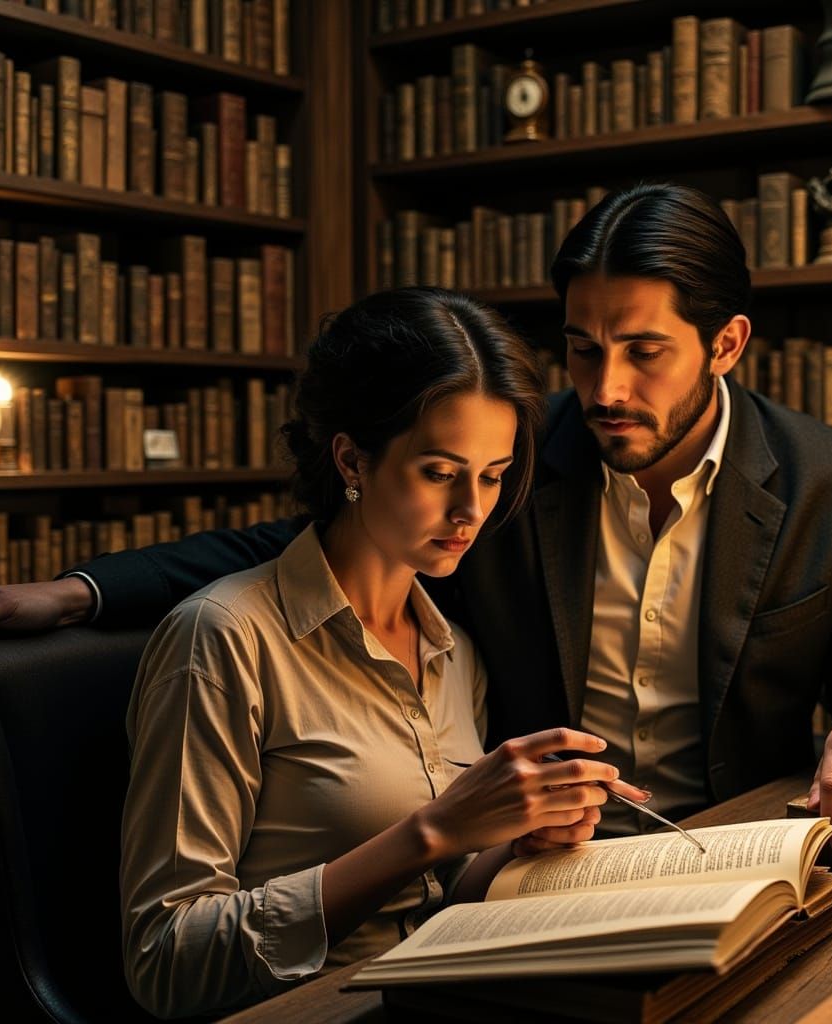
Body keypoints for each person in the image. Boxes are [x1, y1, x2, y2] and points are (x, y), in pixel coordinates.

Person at [0, 184, 832, 855]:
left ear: (726, 343)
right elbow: (304, 546)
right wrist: (77, 590)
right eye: (580, 348)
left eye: (643, 352)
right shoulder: (512, 459)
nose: (602, 388)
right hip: (534, 862)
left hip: (738, 844)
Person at [118, 287, 638, 1019]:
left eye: (492, 475)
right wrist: (430, 832)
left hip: (442, 997)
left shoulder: (453, 650)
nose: (472, 511)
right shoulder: (223, 637)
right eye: (439, 472)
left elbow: (439, 888)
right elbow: (166, 960)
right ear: (352, 461)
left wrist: (521, 840)